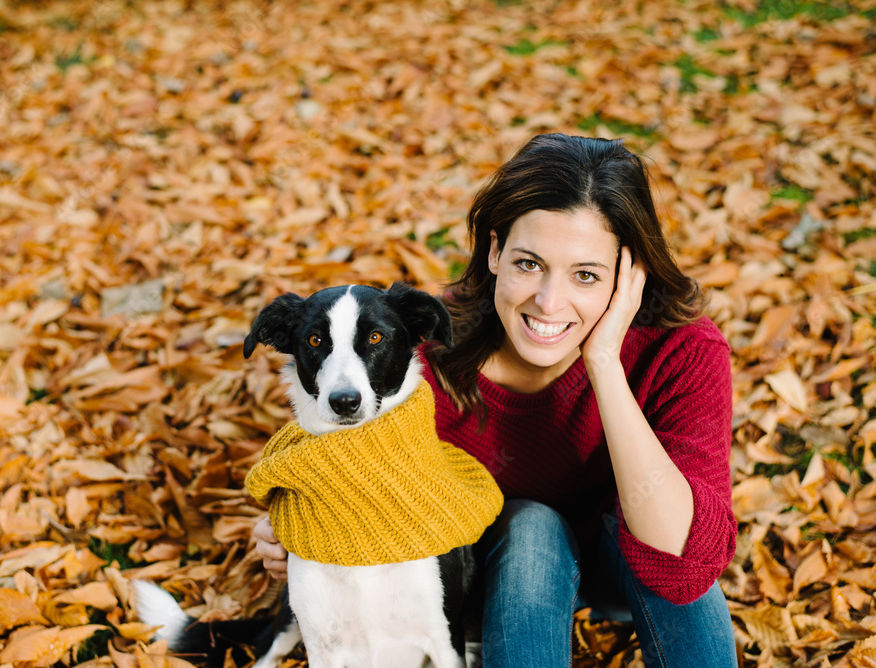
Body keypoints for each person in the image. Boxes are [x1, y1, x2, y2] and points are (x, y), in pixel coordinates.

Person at [253, 133, 738, 667]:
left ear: (630, 276)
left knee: (668, 516)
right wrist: (295, 524)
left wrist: (604, 362)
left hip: (623, 567)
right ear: (494, 251)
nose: (549, 302)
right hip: (493, 577)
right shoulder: (419, 351)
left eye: (585, 275)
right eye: (529, 264)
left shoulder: (683, 350)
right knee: (531, 525)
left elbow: (683, 564)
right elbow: (354, 465)